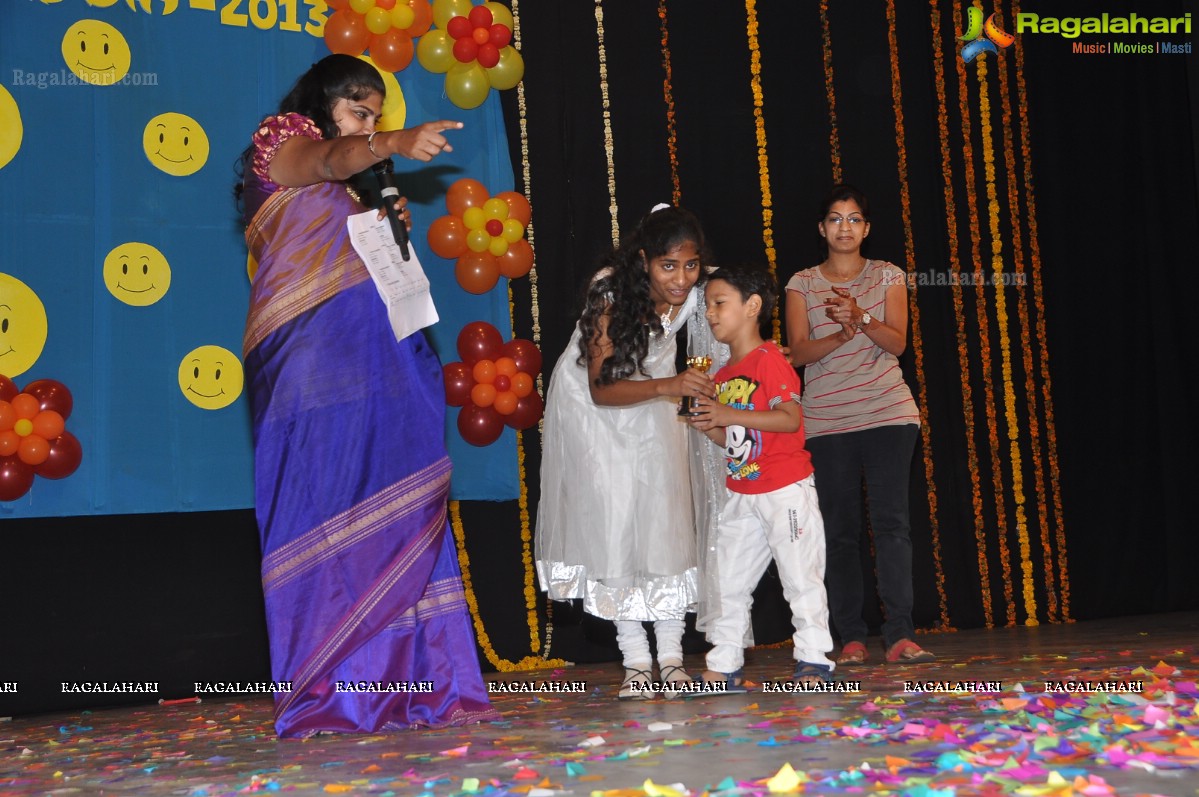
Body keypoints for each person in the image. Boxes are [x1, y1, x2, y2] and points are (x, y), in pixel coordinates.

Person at [238, 54, 495, 737]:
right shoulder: (284, 146)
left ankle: (413, 688)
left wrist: (381, 223)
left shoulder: (354, 196)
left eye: (378, 115)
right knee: (323, 512)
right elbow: (324, 160)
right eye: (360, 110)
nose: (372, 125)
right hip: (310, 372)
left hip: (376, 370)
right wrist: (388, 146)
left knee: (400, 502)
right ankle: (330, 694)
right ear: (324, 106)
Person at [535, 204, 716, 700]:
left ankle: (674, 657)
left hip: (656, 402)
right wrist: (670, 384)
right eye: (668, 266)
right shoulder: (609, 292)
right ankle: (636, 659)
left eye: (691, 265)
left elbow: (739, 312)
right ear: (643, 261)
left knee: (665, 522)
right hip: (598, 416)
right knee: (616, 529)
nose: (681, 279)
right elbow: (600, 389)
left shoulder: (697, 292)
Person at [784, 184, 933, 665]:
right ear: (821, 228)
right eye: (834, 218)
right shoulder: (801, 284)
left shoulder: (889, 275)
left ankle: (900, 634)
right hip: (826, 421)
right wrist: (839, 335)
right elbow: (798, 354)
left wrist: (861, 316)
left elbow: (897, 344)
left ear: (866, 229)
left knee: (892, 525)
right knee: (840, 532)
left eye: (853, 219)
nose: (843, 227)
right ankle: (850, 636)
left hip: (888, 413)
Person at [686, 264, 836, 688]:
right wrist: (710, 425)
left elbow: (789, 420)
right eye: (708, 306)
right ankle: (725, 661)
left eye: (720, 303)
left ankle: (813, 659)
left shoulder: (770, 360)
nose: (711, 314)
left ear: (752, 307)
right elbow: (738, 437)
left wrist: (727, 412)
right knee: (728, 581)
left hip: (784, 489)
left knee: (799, 576)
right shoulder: (723, 375)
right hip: (743, 488)